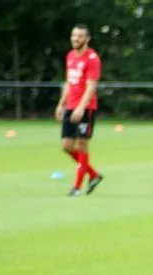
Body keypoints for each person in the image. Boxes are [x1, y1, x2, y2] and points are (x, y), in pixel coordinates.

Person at [55, 24, 103, 197]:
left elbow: (91, 86)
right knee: (67, 146)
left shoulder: (92, 58)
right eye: (74, 36)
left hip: (86, 108)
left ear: (87, 39)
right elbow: (69, 82)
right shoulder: (70, 56)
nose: (76, 39)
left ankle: (76, 187)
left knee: (81, 145)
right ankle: (94, 174)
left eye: (80, 36)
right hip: (70, 106)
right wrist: (61, 104)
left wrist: (81, 108)